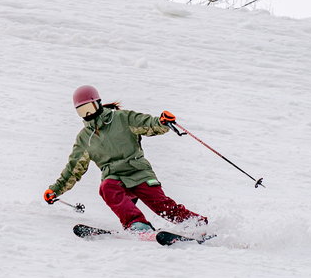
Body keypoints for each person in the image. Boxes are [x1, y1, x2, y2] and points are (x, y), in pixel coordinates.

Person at [44, 84, 208, 234]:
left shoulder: (121, 118)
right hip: (115, 178)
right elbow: (73, 169)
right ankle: (137, 224)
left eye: (89, 108)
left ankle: (196, 223)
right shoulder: (84, 138)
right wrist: (55, 190)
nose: (87, 114)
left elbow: (146, 123)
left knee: (161, 205)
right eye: (82, 111)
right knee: (106, 187)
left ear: (98, 103)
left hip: (139, 172)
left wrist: (162, 122)